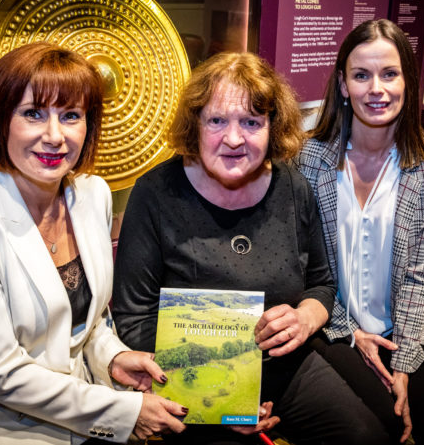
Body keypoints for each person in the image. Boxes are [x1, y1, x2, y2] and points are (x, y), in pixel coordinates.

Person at [0, 43, 187, 444]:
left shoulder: (93, 194)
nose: (55, 136)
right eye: (33, 114)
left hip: (79, 396)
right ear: (0, 122)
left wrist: (113, 357)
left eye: (71, 115)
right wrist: (122, 413)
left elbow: (87, 322)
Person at [111, 52, 391, 445]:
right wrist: (222, 394)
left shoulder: (293, 187)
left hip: (284, 367)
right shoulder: (156, 193)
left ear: (272, 127)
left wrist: (306, 318)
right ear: (195, 124)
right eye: (217, 120)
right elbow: (134, 318)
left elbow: (322, 285)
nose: (234, 138)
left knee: (367, 438)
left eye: (251, 122)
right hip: (193, 378)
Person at [299, 19, 424, 444]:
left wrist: (404, 365)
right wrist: (351, 333)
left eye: (389, 74)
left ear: (407, 80)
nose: (377, 89)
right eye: (361, 75)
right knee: (384, 426)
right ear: (342, 84)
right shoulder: (310, 160)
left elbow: (417, 275)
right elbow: (304, 268)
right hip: (335, 325)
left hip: (404, 325)